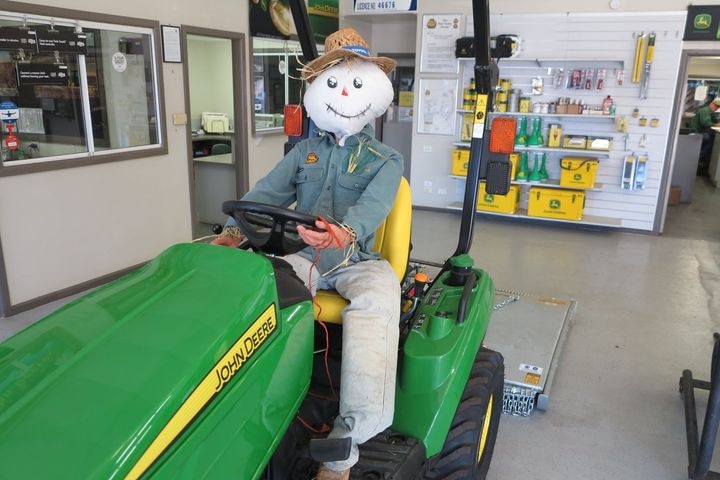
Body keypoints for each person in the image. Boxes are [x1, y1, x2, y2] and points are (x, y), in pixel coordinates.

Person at [212, 28, 402, 480]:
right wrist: (231, 231)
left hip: (358, 261)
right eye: (332, 84)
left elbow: (371, 208)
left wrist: (343, 230)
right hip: (305, 255)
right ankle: (260, 407)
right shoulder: (303, 154)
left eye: (353, 84)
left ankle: (344, 449)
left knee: (378, 300)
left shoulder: (385, 159)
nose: (342, 94)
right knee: (260, 290)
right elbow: (265, 193)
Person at [690, 97, 720, 172]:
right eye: (715, 106)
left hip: (702, 131)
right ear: (711, 104)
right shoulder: (705, 111)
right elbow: (705, 123)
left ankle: (704, 159)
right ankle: (699, 159)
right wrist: (716, 125)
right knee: (711, 140)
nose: (716, 108)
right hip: (697, 132)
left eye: (718, 107)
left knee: (712, 137)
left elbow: (714, 120)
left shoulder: (710, 112)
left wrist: (717, 122)